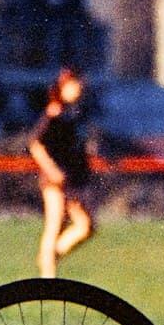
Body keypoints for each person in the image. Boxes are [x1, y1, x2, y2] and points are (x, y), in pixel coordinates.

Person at [28, 67, 95, 277]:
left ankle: (49, 256)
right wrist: (52, 169)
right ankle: (48, 277)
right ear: (64, 86)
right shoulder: (55, 113)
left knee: (86, 226)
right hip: (56, 181)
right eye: (75, 85)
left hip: (73, 179)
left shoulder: (74, 114)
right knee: (55, 225)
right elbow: (36, 144)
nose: (80, 89)